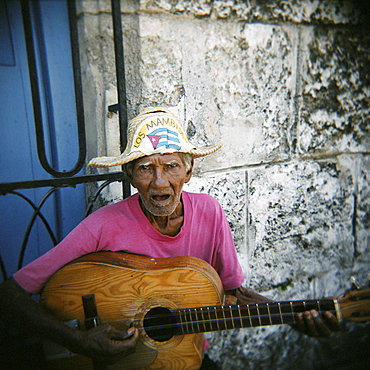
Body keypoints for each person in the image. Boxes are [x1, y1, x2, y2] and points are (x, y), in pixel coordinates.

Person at [0, 107, 339, 368]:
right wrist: (79, 340)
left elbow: (234, 295)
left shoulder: (210, 213)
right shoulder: (102, 225)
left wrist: (293, 316)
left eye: (172, 166)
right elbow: (9, 295)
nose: (160, 183)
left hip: (185, 358)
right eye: (146, 168)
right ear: (130, 175)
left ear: (189, 170)